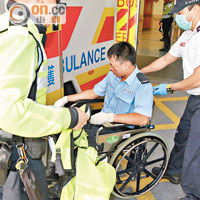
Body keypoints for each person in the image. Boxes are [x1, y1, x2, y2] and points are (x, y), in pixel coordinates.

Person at [0, 0, 88, 199]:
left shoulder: (10, 24)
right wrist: (71, 117)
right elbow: (9, 109)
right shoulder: (20, 35)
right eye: (56, 4)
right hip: (15, 145)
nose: (57, 12)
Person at [141, 0, 200, 199]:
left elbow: (197, 78)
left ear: (195, 8)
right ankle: (174, 171)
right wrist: (138, 73)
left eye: (181, 12)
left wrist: (169, 87)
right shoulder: (188, 34)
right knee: (182, 135)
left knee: (195, 149)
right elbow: (166, 59)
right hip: (195, 98)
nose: (178, 17)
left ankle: (193, 195)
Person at [55, 41, 153, 132]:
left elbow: (143, 119)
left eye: (113, 66)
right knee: (71, 130)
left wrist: (109, 117)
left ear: (126, 65)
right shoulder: (112, 76)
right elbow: (93, 93)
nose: (110, 68)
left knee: (81, 140)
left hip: (120, 128)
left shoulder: (142, 85)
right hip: (102, 123)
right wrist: (66, 99)